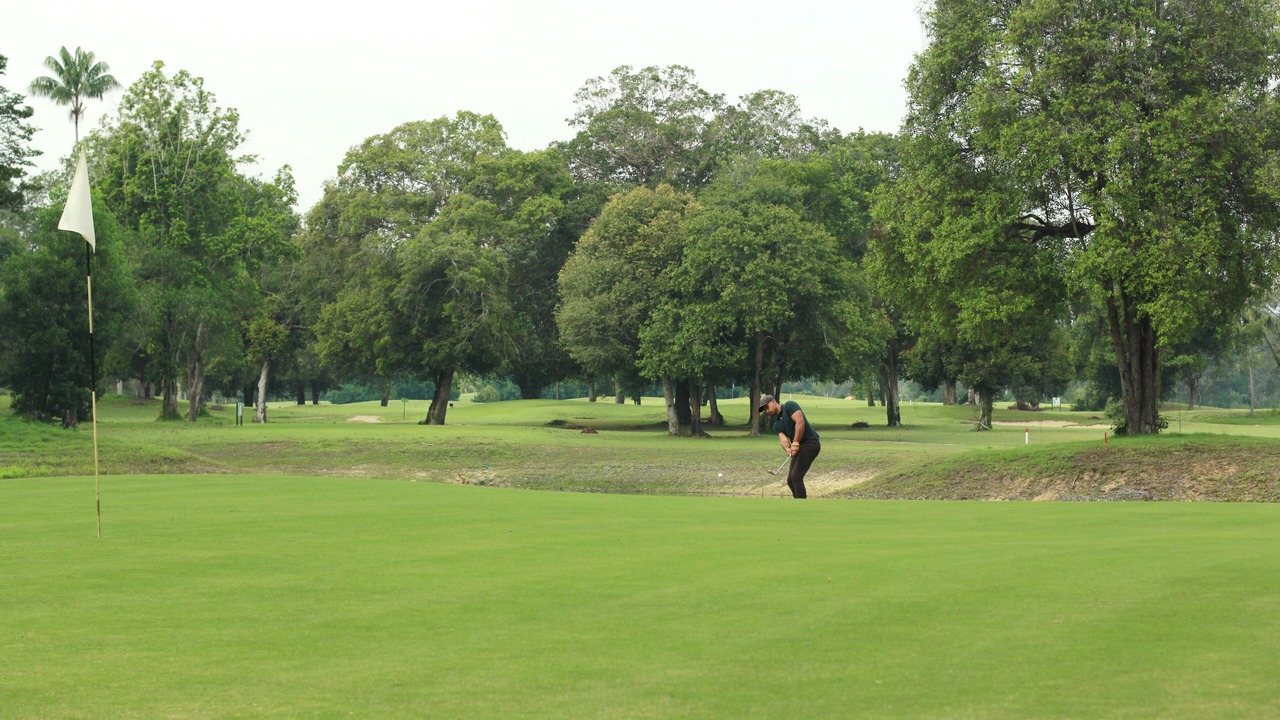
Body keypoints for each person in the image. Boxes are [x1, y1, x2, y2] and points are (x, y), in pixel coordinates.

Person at [759, 394, 820, 499]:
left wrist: (795, 443)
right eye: (764, 410)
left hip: (810, 443)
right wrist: (787, 449)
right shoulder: (777, 424)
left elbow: (800, 423)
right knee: (790, 480)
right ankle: (797, 503)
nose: (766, 411)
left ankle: (802, 506)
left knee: (796, 477)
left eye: (767, 407)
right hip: (799, 446)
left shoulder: (789, 406)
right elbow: (783, 439)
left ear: (774, 402)